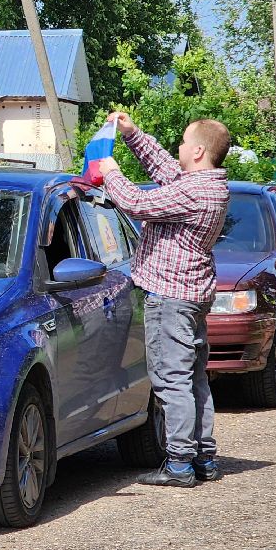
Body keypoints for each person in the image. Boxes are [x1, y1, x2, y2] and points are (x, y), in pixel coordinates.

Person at [95, 113, 231, 488]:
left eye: (184, 142)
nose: (179, 148)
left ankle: (180, 463)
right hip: (191, 295)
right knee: (193, 379)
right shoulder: (204, 184)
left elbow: (136, 203)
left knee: (172, 381)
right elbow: (166, 169)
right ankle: (203, 457)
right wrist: (132, 134)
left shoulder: (194, 192)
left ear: (199, 150)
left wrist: (109, 170)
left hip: (171, 298)